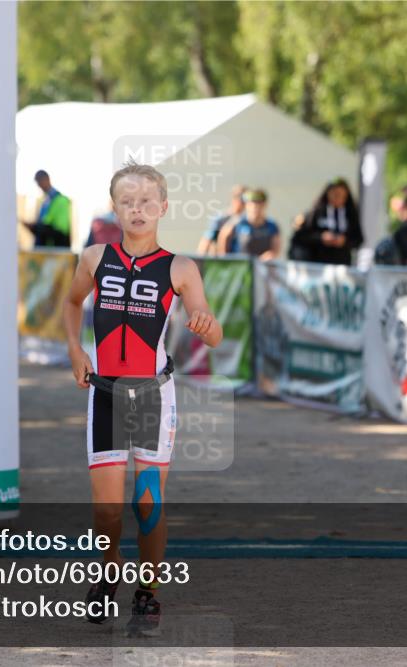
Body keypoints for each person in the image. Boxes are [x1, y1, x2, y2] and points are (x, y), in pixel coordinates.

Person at [62, 160, 222, 636]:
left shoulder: (180, 268)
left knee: (148, 504)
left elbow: (212, 333)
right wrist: (75, 350)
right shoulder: (94, 258)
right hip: (105, 396)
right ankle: (109, 569)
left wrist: (205, 325)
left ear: (163, 207)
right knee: (107, 510)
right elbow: (71, 302)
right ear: (114, 208)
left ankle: (148, 592)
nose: (137, 209)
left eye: (147, 201)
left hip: (153, 397)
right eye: (127, 202)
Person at [288, 178, 363, 265]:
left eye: (341, 195)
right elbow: (300, 236)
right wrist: (321, 237)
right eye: (335, 194)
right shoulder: (316, 212)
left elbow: (358, 239)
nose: (337, 197)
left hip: (342, 264)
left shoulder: (350, 215)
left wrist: (344, 241)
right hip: (317, 265)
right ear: (328, 193)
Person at [216, 188, 281, 259]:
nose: (254, 208)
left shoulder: (271, 225)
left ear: (264, 205)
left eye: (258, 205)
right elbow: (223, 237)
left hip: (261, 264)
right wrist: (224, 259)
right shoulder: (237, 222)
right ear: (246, 205)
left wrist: (270, 255)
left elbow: (275, 249)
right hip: (239, 263)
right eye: (251, 204)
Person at [22, 170, 71, 248]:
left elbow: (60, 230)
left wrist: (36, 227)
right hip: (46, 245)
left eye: (40, 182)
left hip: (54, 247)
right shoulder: (45, 200)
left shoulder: (60, 200)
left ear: (47, 179)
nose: (39, 186)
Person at [196, 184, 246, 255]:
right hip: (221, 256)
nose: (245, 204)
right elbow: (207, 240)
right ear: (234, 199)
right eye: (242, 200)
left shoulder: (247, 220)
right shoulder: (220, 218)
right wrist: (199, 259)